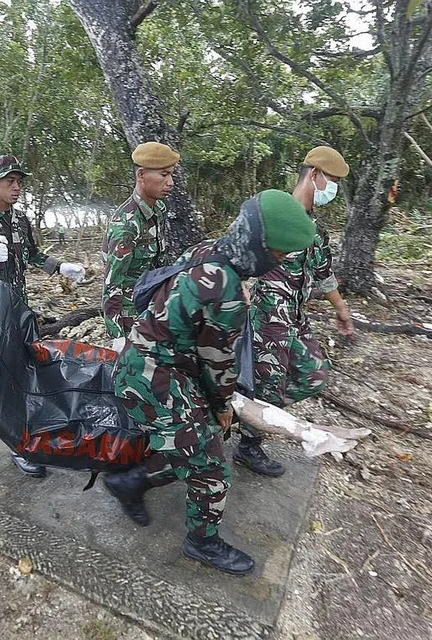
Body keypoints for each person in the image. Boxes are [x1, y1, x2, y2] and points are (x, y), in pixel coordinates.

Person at [104, 190, 316, 574]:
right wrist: (222, 409)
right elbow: (218, 364)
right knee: (213, 468)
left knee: (197, 444)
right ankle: (202, 542)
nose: (278, 264)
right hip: (154, 380)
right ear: (258, 245)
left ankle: (131, 482)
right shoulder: (227, 290)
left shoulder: (209, 250)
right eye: (279, 255)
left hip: (145, 363)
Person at [0, 154, 85, 477]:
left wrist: (60, 267)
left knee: (16, 373)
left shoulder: (20, 220)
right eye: (10, 181)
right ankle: (19, 446)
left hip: (18, 308)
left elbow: (33, 255)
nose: (17, 187)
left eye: (20, 181)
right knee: (2, 377)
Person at [240, 146, 354, 477]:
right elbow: (238, 255)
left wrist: (341, 309)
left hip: (295, 316)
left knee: (315, 374)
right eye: (330, 180)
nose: (331, 188)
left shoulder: (316, 230)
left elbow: (323, 273)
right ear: (314, 175)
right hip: (266, 318)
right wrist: (240, 288)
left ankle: (252, 414)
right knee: (269, 383)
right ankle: (249, 445)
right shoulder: (272, 214)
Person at [101, 141, 178, 352]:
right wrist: (117, 335)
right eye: (164, 175)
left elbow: (160, 262)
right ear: (141, 175)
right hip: (131, 315)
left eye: (171, 175)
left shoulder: (158, 209)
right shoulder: (126, 225)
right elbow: (112, 284)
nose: (170, 182)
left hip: (153, 306)